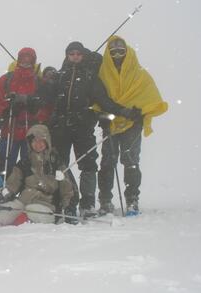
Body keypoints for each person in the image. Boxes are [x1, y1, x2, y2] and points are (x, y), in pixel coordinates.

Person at [50, 41, 140, 218]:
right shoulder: (60, 76)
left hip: (83, 126)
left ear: (83, 56)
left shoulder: (90, 76)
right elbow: (48, 98)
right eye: (71, 53)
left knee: (88, 164)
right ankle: (63, 201)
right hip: (61, 128)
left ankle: (88, 204)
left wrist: (124, 111)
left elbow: (104, 100)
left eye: (78, 54)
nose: (75, 56)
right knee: (60, 165)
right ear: (67, 56)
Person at [97, 36, 168, 215]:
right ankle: (105, 201)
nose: (117, 55)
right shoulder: (102, 73)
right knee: (107, 162)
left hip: (132, 125)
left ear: (127, 52)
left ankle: (132, 199)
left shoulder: (140, 74)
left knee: (130, 161)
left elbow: (150, 97)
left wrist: (140, 112)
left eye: (121, 51)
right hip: (111, 123)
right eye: (113, 52)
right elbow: (96, 98)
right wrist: (102, 115)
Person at [0, 124, 74, 225]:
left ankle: (22, 223)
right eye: (34, 141)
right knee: (2, 215)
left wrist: (68, 207)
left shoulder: (56, 163)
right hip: (23, 201)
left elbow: (66, 189)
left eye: (41, 140)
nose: (38, 144)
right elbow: (13, 184)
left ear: (47, 142)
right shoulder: (25, 162)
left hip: (46, 204)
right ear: (30, 143)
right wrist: (4, 195)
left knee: (32, 212)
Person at [0, 47, 50, 175]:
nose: (26, 61)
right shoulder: (6, 79)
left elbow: (46, 107)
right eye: (23, 58)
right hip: (9, 131)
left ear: (33, 61)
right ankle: (2, 191)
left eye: (29, 58)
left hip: (31, 135)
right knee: (4, 168)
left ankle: (25, 193)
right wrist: (6, 111)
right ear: (18, 60)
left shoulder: (39, 82)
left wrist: (35, 109)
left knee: (29, 170)